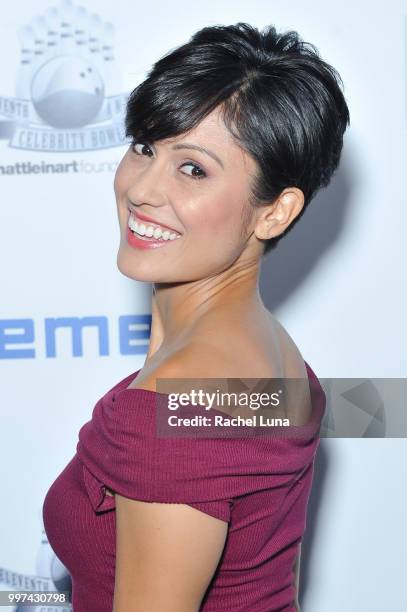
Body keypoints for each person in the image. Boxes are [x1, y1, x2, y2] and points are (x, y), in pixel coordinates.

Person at [43, 22, 349, 611]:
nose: (142, 189)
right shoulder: (261, 350)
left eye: (194, 169)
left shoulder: (182, 396)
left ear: (275, 211)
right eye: (145, 147)